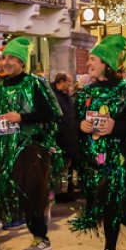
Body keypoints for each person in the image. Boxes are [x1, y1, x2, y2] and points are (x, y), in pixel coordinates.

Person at [71, 34, 126, 250]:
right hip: (93, 161)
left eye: (93, 59)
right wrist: (80, 125)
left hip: (119, 159)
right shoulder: (85, 92)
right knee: (101, 206)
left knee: (111, 205)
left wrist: (116, 127)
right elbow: (73, 121)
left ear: (108, 63)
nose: (88, 63)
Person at [0, 36, 62, 250]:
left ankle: (41, 237)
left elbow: (52, 114)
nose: (6, 62)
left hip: (33, 148)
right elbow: (2, 117)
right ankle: (37, 223)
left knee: (32, 192)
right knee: (19, 194)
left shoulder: (35, 83)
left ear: (22, 63)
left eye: (13, 58)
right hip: (8, 150)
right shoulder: (0, 89)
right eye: (4, 57)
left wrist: (22, 117)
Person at [52, 72, 83, 203]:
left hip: (70, 138)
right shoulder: (55, 98)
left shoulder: (66, 97)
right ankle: (58, 193)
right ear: (61, 82)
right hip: (61, 139)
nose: (70, 85)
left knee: (68, 166)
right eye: (68, 82)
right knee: (60, 168)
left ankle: (67, 190)